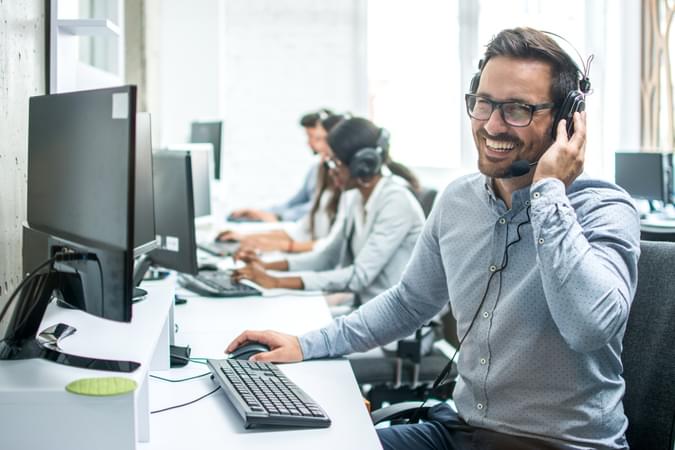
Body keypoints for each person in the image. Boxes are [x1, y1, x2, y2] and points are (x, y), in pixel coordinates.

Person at [226, 28, 641, 450]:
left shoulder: (603, 209)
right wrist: (306, 343)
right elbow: (409, 302)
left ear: (566, 122)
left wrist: (549, 192)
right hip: (458, 431)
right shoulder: (459, 200)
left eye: (517, 109)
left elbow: (589, 327)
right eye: (484, 104)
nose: (492, 125)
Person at [231, 117, 425, 305]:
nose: (330, 170)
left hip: (400, 324)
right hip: (368, 311)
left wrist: (276, 282)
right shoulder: (355, 196)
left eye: (334, 162)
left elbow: (359, 277)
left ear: (361, 165)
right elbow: (327, 257)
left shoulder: (396, 201)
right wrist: (265, 268)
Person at [217, 114, 347, 253]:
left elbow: (327, 244)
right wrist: (251, 230)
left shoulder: (344, 188)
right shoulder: (319, 170)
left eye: (319, 139)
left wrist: (277, 221)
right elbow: (298, 214)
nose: (313, 144)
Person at [228, 108, 333, 222]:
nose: (309, 142)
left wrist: (279, 217)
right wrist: (260, 212)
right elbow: (294, 203)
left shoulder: (336, 173)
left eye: (314, 137)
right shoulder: (315, 169)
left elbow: (319, 208)